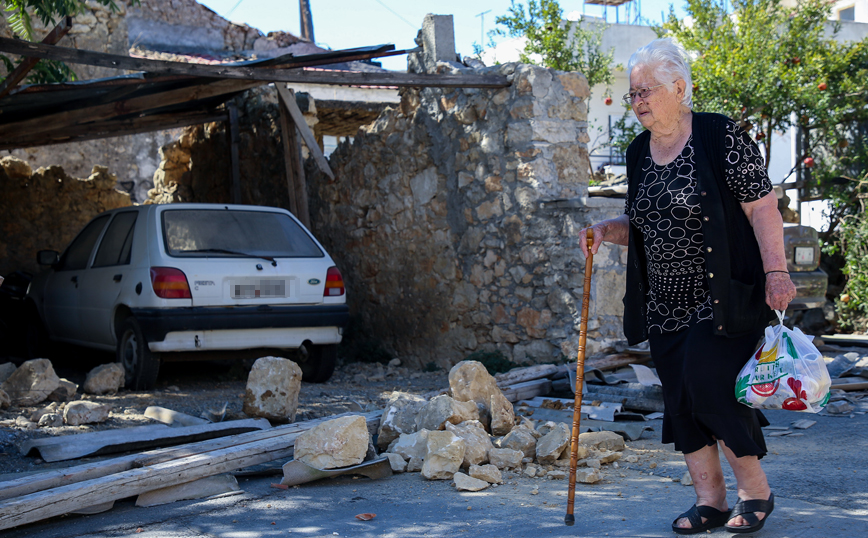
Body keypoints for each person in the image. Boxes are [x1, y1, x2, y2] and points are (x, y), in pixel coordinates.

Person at [579, 38, 796, 535]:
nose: (637, 102)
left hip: (723, 296)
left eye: (646, 91)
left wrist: (777, 272)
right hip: (664, 303)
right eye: (633, 94)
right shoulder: (637, 152)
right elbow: (643, 224)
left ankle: (755, 492)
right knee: (680, 399)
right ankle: (710, 502)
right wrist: (605, 231)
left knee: (712, 388)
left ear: (679, 87)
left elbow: (762, 207)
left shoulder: (719, 135)